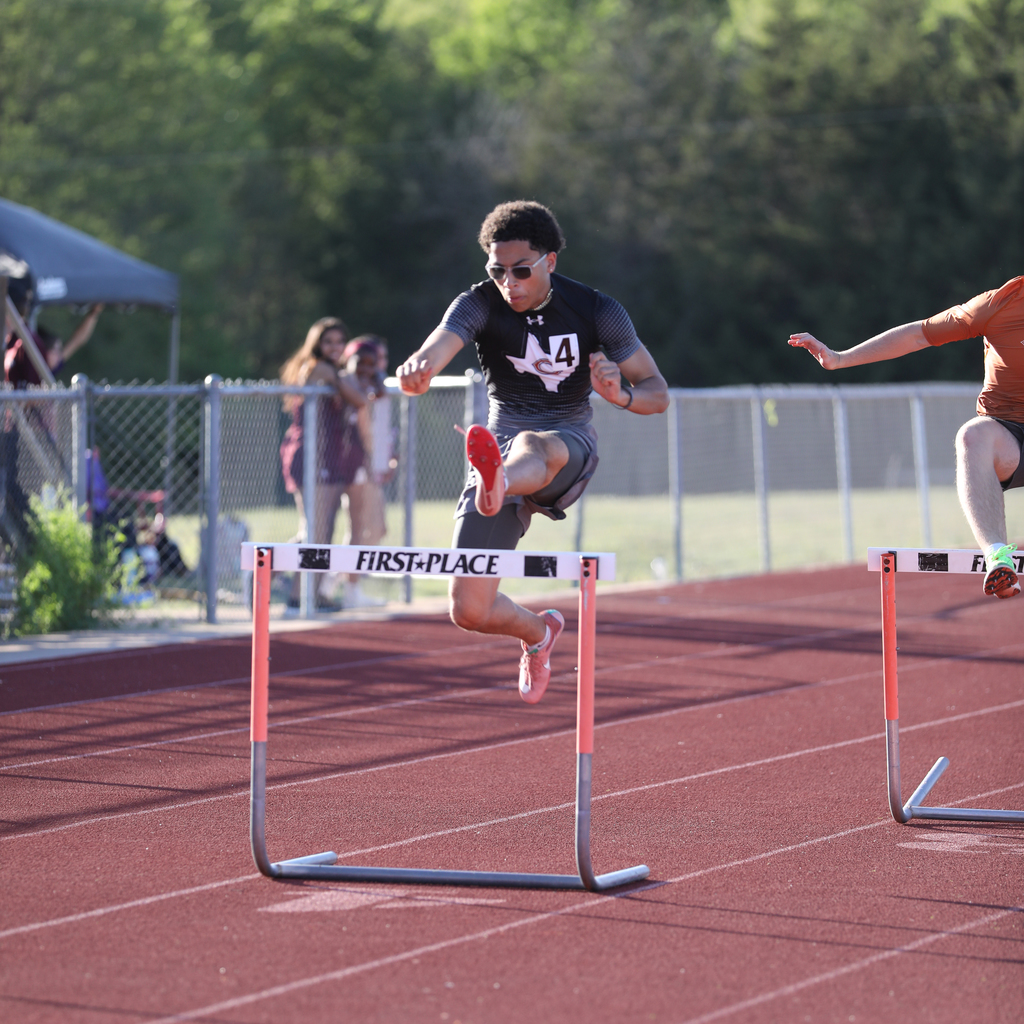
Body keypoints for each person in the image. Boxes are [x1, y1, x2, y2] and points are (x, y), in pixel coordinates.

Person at [397, 200, 669, 703]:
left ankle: (497, 479)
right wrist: (417, 372)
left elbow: (658, 394)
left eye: (521, 271)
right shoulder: (478, 302)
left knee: (531, 447)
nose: (509, 283)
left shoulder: (596, 310)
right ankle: (538, 634)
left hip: (567, 446)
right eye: (497, 271)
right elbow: (436, 347)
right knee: (469, 610)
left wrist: (622, 396)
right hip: (497, 457)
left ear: (550, 261)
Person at [789, 274, 1024, 599]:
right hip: (1008, 433)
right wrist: (841, 358)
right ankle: (998, 557)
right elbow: (919, 335)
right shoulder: (1002, 304)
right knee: (972, 436)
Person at [279, 317, 367, 610]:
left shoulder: (336, 372)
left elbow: (359, 398)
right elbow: (358, 399)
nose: (334, 347)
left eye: (339, 342)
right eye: (327, 342)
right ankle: (273, 572)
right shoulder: (317, 368)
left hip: (330, 457)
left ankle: (308, 593)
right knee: (313, 530)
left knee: (323, 531)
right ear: (316, 344)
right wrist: (343, 378)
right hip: (309, 456)